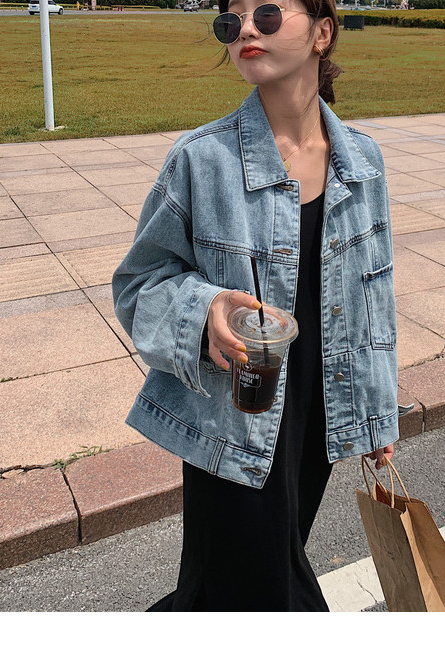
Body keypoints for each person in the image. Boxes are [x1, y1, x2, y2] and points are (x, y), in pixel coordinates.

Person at [112, 0, 398, 612]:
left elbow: (373, 294)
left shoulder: (363, 161)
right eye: (231, 19)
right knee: (264, 590)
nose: (245, 28)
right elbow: (140, 283)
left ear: (322, 33)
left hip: (320, 414)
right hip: (236, 411)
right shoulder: (201, 160)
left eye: (267, 14)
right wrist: (206, 308)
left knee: (227, 587)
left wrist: (374, 411)